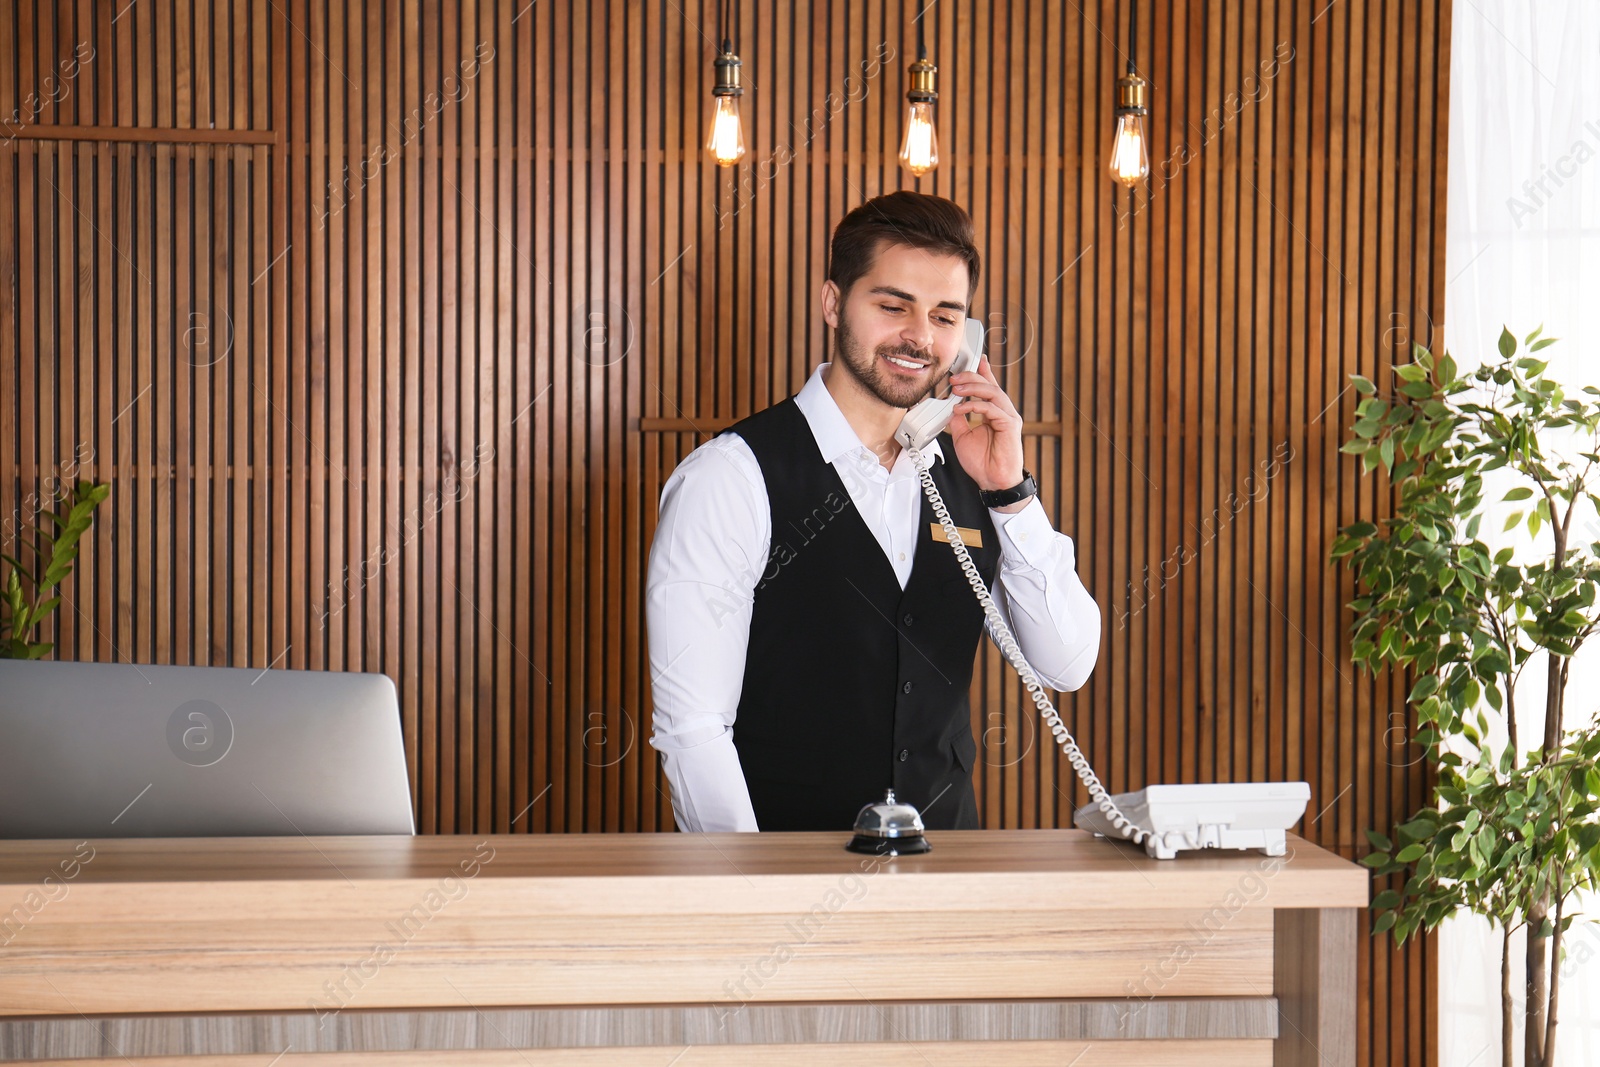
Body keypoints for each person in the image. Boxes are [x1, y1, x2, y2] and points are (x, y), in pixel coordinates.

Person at [645, 191, 1101, 833]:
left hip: (948, 884)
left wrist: (1010, 493)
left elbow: (1068, 662)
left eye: (946, 316)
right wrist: (756, 899)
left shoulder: (972, 474)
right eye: (892, 307)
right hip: (787, 889)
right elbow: (693, 730)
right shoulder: (730, 478)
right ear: (834, 303)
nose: (920, 337)